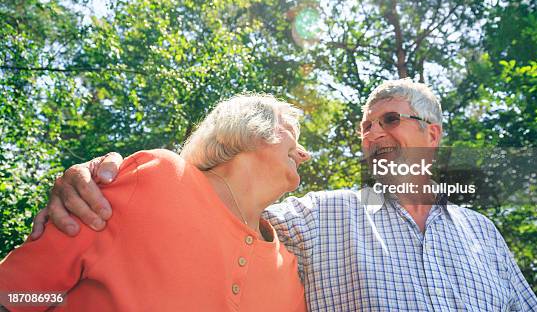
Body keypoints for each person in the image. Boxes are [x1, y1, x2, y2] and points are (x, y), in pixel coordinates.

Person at [27, 79, 537, 311]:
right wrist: (100, 175)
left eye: (389, 120)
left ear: (432, 136)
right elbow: (218, 204)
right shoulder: (325, 216)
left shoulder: (483, 234)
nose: (371, 135)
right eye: (365, 126)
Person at [0, 94, 309, 312]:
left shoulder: (290, 276)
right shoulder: (158, 175)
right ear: (251, 127)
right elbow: (17, 293)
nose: (304, 154)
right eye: (292, 136)